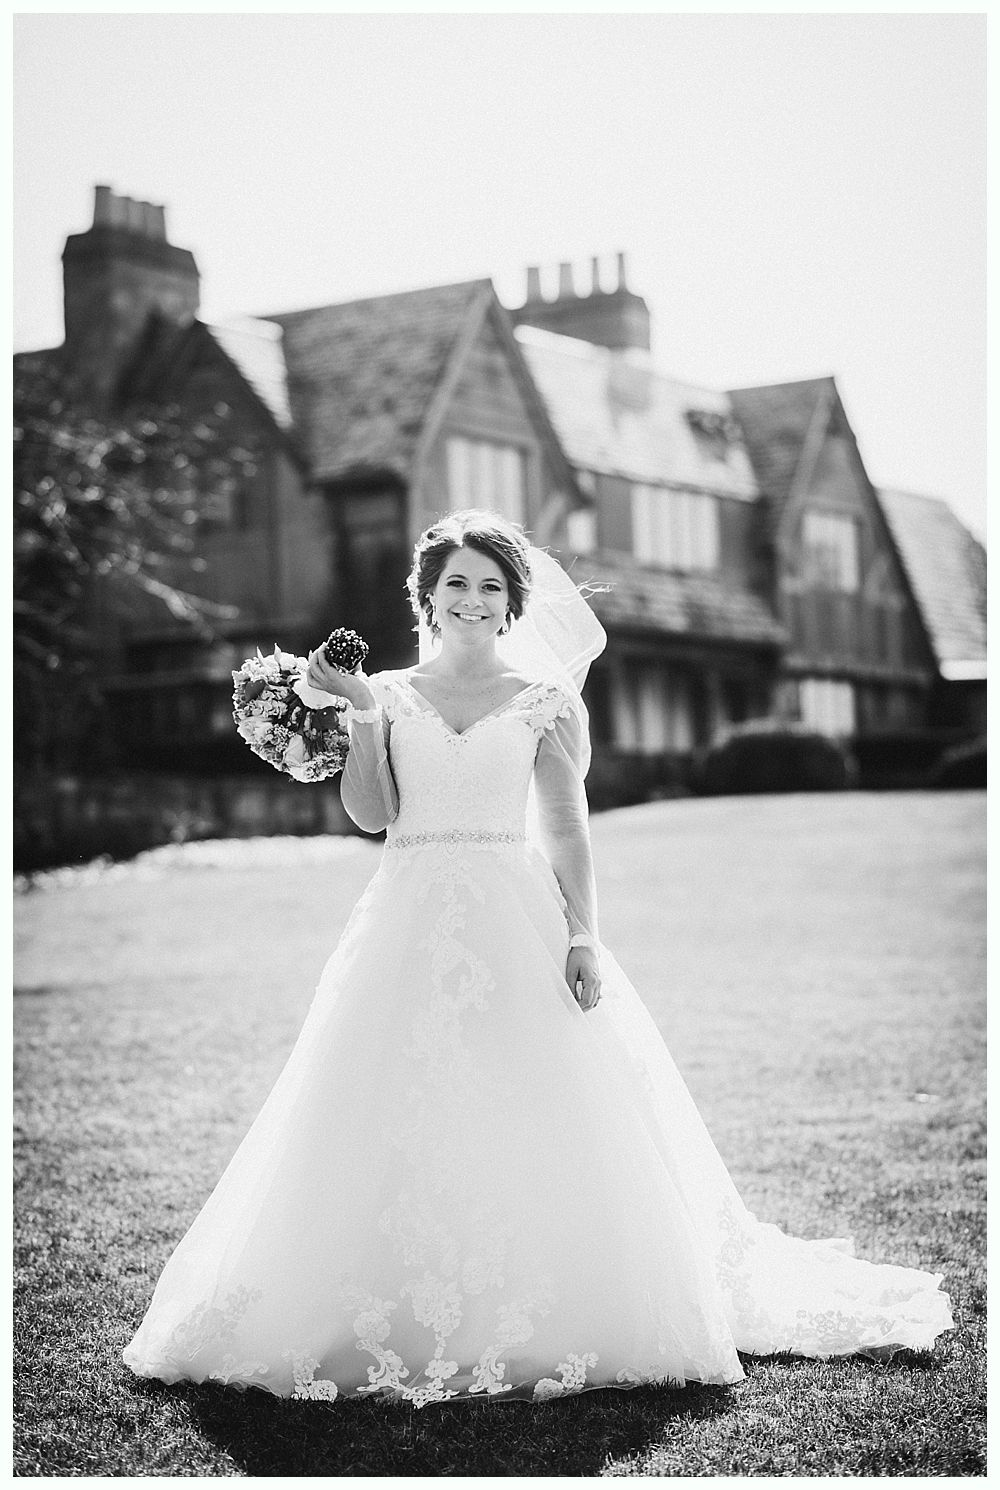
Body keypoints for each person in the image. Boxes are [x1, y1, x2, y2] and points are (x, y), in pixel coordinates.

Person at [123, 509, 953, 1407]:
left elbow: (563, 823)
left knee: (536, 1094)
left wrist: (584, 933)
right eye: (457, 585)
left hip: (516, 913)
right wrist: (360, 711)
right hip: (405, 913)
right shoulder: (388, 693)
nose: (472, 599)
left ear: (511, 601)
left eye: (489, 585)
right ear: (428, 597)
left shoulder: (545, 698)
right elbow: (372, 815)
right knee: (385, 1098)